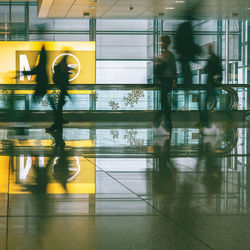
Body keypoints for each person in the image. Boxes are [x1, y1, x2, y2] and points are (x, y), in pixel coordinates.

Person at [154, 35, 177, 131]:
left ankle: (163, 119)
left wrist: (174, 81)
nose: (161, 45)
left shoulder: (170, 55)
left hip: (168, 79)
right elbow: (157, 71)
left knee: (163, 99)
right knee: (163, 100)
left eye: (163, 43)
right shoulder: (160, 56)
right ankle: (166, 120)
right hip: (163, 80)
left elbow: (174, 69)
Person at [46, 54, 73, 132]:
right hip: (62, 90)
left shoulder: (59, 69)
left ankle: (58, 122)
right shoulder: (62, 69)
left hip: (62, 90)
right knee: (58, 108)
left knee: (58, 108)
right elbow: (64, 78)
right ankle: (58, 122)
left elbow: (62, 75)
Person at [201, 43, 222, 127]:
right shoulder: (213, 58)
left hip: (210, 82)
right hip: (212, 82)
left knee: (207, 101)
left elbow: (208, 69)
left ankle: (207, 120)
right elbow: (218, 69)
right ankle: (208, 119)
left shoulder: (212, 59)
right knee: (210, 100)